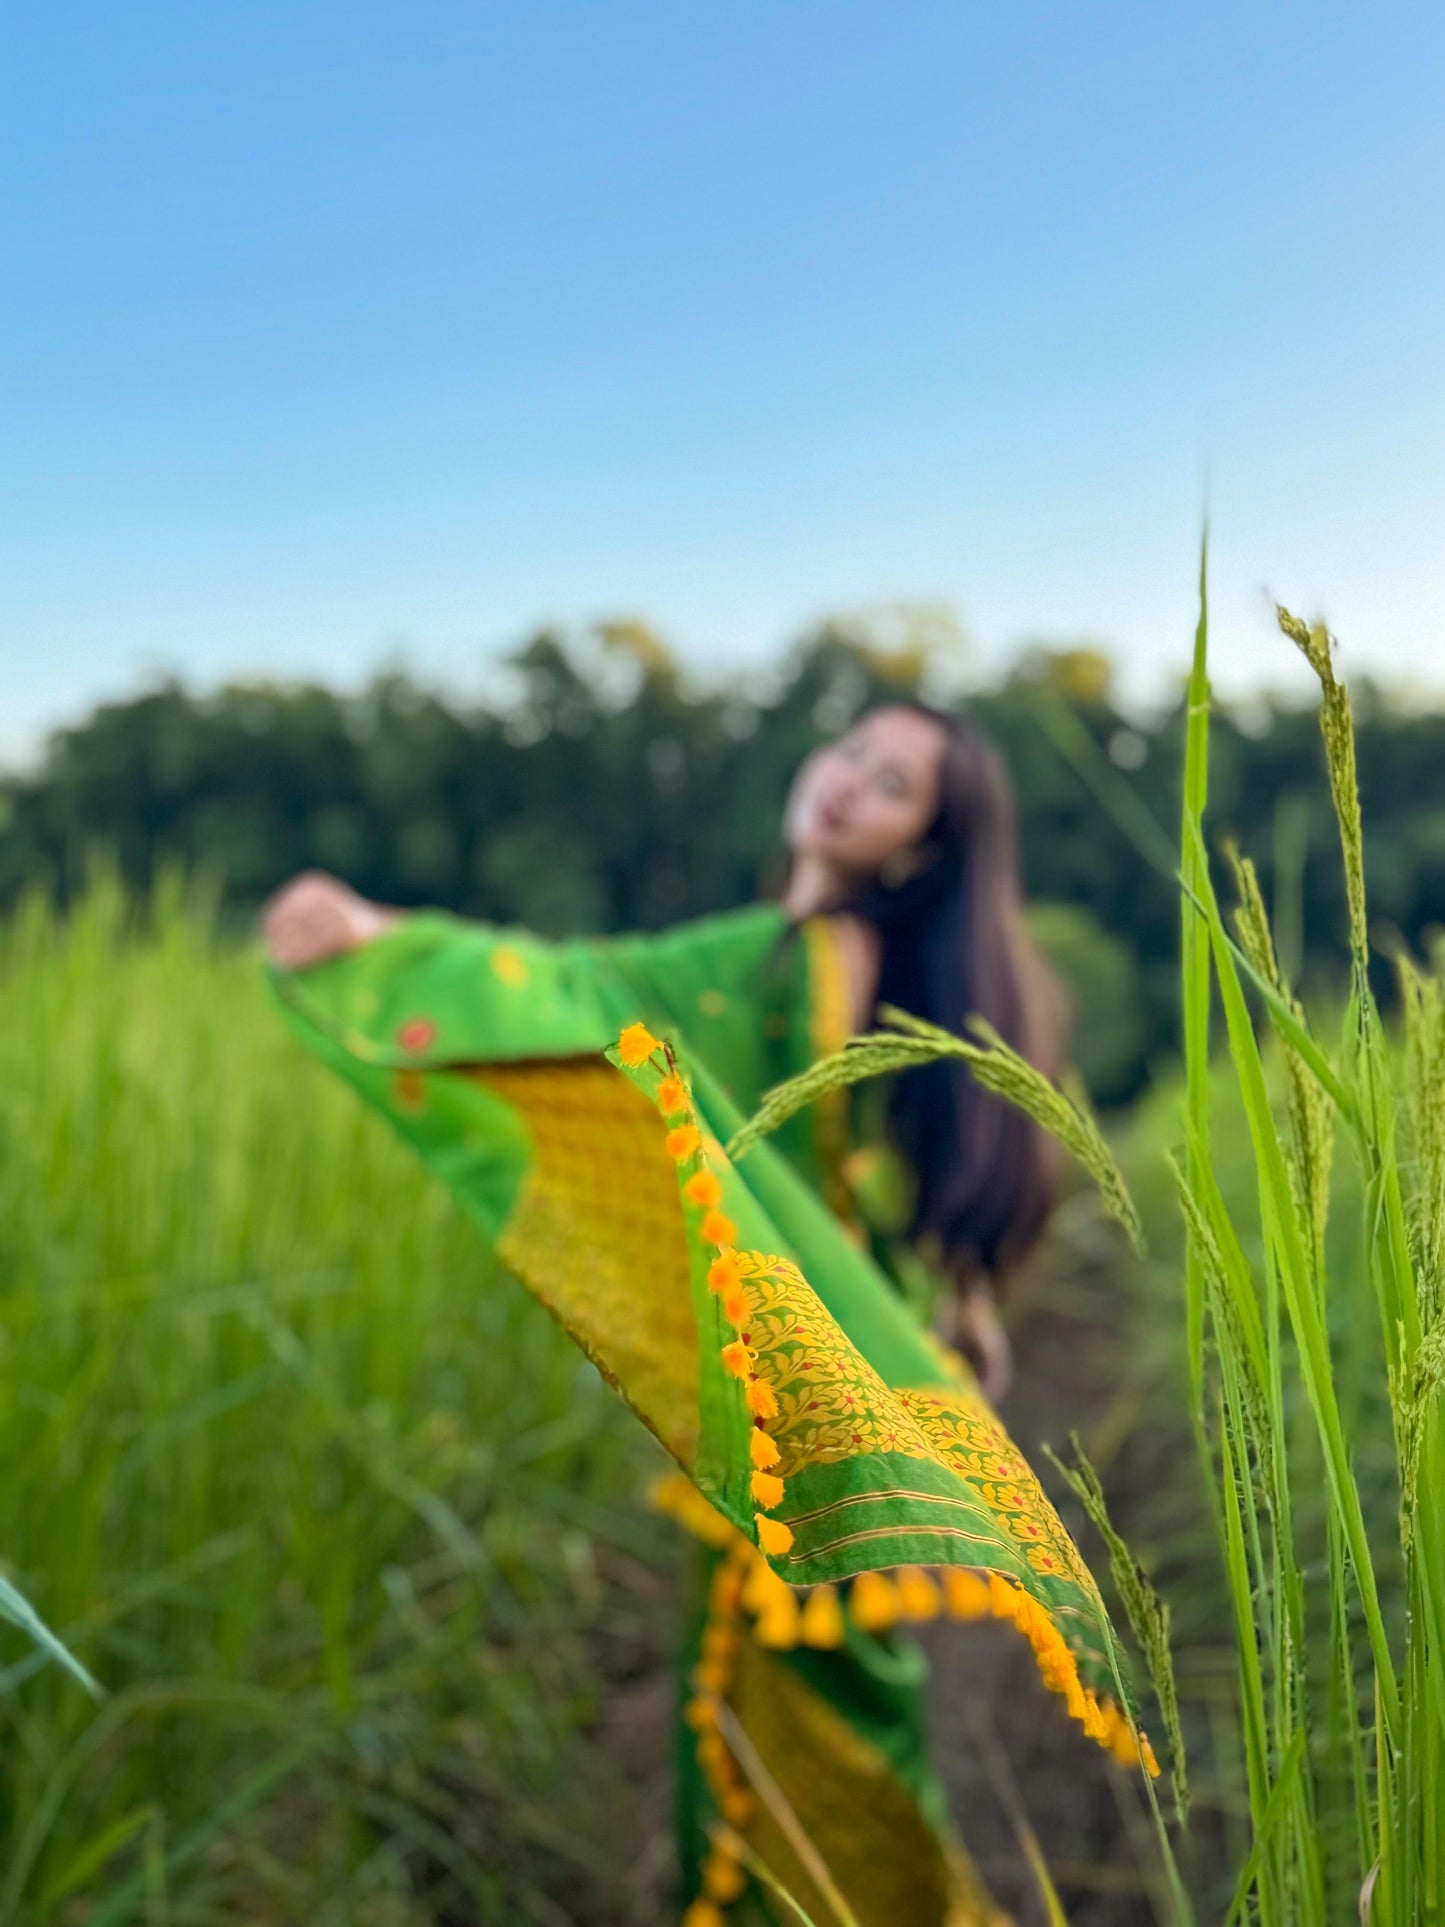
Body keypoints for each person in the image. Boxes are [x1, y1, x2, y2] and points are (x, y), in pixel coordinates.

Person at [263, 703, 1148, 1927]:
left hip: (801, 1403)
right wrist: (962, 1301)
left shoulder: (791, 957)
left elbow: (577, 990)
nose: (844, 784)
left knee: (796, 1739)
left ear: (916, 850)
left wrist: (379, 935)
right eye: (847, 752)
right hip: (865, 1400)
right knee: (838, 1721)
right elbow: (924, 1184)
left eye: (889, 785)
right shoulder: (876, 970)